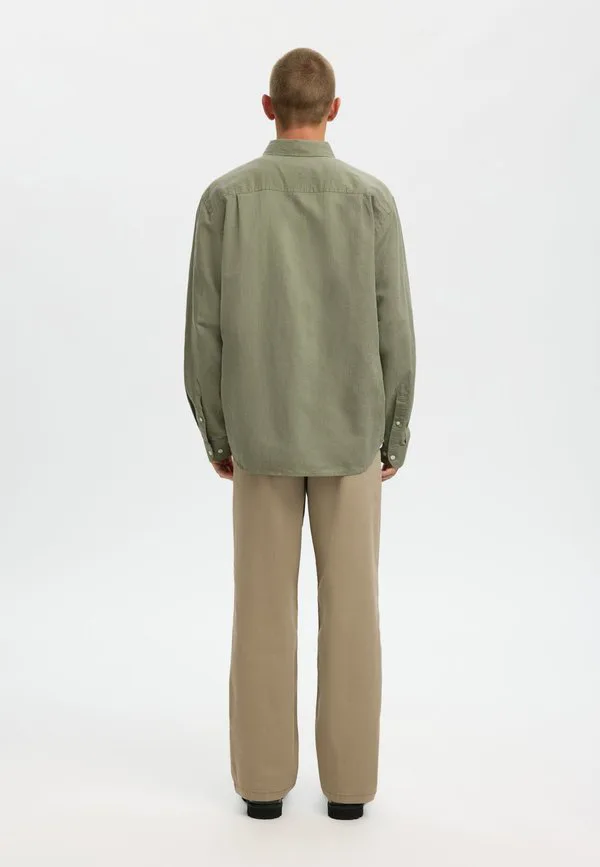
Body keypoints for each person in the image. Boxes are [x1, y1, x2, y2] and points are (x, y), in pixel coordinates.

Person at [183, 47, 416, 821]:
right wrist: (394, 431)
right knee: (353, 614)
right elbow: (395, 326)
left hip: (261, 435)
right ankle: (348, 791)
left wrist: (218, 430)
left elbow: (204, 328)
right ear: (335, 109)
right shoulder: (371, 200)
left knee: (260, 611)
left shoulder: (226, 199)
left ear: (267, 106)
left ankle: (261, 788)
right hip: (352, 438)